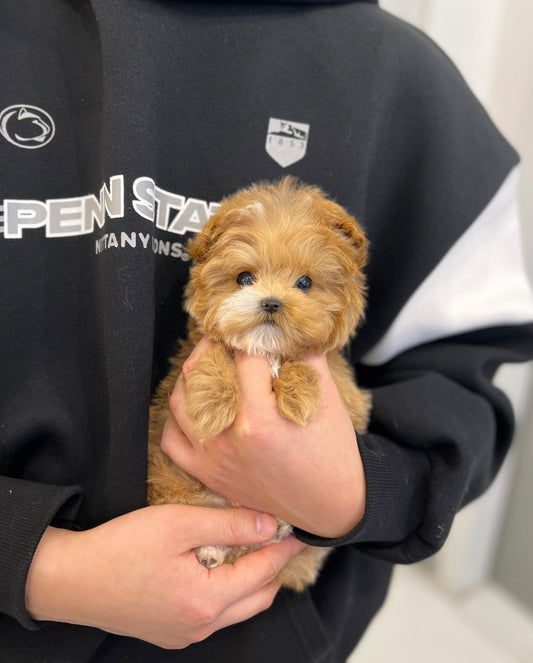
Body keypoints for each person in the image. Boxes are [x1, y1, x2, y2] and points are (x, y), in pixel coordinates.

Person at [1, 1, 532, 661]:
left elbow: (466, 376)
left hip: (270, 629)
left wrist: (357, 490)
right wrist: (37, 562)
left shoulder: (411, 87)